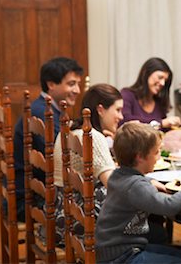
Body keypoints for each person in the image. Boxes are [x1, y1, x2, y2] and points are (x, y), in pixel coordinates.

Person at [95, 122, 181, 263]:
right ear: (140, 157)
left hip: (114, 251)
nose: (159, 157)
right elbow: (170, 206)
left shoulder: (119, 176)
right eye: (156, 152)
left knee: (179, 255)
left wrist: (149, 181)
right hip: (123, 257)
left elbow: (136, 185)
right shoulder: (136, 186)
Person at [13, 57, 83, 222]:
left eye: (78, 84)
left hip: (31, 193)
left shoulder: (44, 108)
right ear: (51, 84)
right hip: (30, 202)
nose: (78, 90)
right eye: (72, 84)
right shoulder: (44, 114)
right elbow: (63, 158)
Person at [51, 84, 122, 246]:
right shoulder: (93, 137)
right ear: (101, 110)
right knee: (140, 210)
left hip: (60, 216)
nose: (121, 116)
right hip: (80, 225)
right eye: (117, 110)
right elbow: (114, 185)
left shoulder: (70, 129)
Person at [120, 57, 181, 129]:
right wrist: (160, 123)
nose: (163, 83)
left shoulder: (159, 103)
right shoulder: (127, 94)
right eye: (160, 77)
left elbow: (163, 129)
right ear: (146, 73)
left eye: (165, 80)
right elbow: (124, 121)